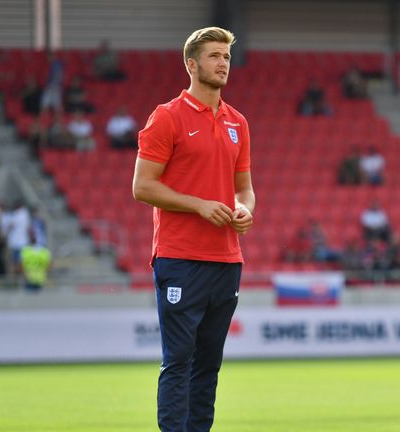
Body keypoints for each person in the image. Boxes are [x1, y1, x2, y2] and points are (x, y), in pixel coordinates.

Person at [132, 27, 254, 432]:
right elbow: (142, 186)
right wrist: (199, 205)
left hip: (227, 259)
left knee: (208, 366)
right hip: (180, 257)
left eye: (226, 57)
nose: (223, 63)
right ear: (191, 64)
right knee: (178, 361)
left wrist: (244, 210)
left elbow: (244, 189)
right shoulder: (166, 117)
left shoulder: (238, 121)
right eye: (214, 56)